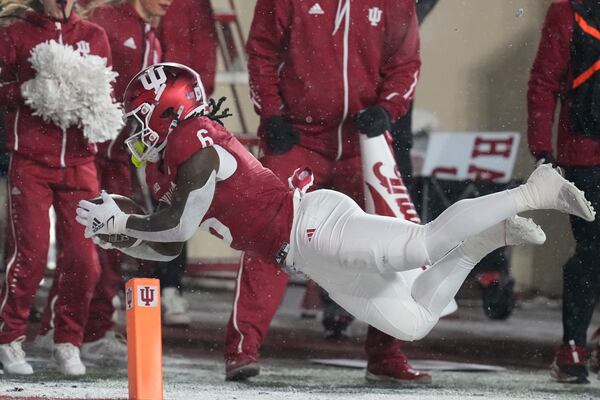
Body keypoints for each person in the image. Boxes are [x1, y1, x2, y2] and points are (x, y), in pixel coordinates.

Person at [77, 63, 595, 383]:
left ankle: (537, 188)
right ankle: (488, 239)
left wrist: (123, 219)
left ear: (171, 112)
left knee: (421, 244)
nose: (136, 128)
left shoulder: (195, 150)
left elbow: (173, 229)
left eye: (143, 115)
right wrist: (117, 232)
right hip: (307, 255)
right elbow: (165, 246)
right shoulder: (179, 156)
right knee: (411, 323)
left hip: (313, 226)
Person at [226, 0, 429, 384]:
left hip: (363, 143)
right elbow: (262, 52)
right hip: (298, 138)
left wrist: (388, 108)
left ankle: (386, 353)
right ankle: (242, 348)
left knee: (386, 245)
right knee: (270, 239)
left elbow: (406, 62)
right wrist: (269, 114)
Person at [0, 0, 119, 375]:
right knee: (30, 255)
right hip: (30, 162)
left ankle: (65, 339)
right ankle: (10, 338)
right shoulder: (15, 32)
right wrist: (29, 91)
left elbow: (104, 97)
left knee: (85, 261)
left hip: (81, 165)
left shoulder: (93, 36)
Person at [528, 0, 600, 384]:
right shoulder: (567, 11)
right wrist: (542, 150)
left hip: (584, 151)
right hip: (586, 152)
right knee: (592, 248)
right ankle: (572, 347)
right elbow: (544, 79)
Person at [152, 0, 217, 326]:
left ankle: (170, 287)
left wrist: (187, 106)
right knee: (132, 199)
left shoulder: (193, 5)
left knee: (174, 200)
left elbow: (204, 60)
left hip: (177, 118)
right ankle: (125, 291)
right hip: (131, 117)